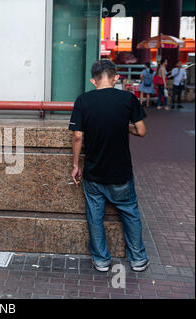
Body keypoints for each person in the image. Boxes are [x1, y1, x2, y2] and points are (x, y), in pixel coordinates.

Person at [69, 59, 150, 273]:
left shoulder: (83, 100)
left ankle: (102, 260)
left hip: (94, 173)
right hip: (121, 172)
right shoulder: (128, 99)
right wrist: (124, 127)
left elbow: (78, 136)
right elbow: (141, 131)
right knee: (130, 214)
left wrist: (75, 164)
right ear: (115, 78)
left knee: (95, 217)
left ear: (93, 80)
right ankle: (138, 260)